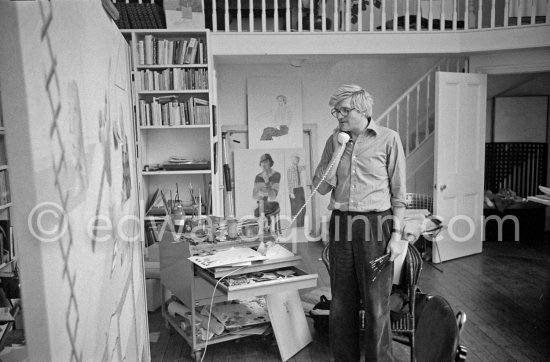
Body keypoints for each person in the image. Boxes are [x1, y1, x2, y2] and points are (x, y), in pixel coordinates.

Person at [312, 84, 407, 362]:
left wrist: (397, 235)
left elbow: (400, 193)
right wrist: (338, 151)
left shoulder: (389, 139)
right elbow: (320, 188)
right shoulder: (334, 141)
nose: (339, 115)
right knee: (342, 303)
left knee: (377, 303)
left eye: (344, 110)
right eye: (336, 110)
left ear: (363, 110)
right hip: (341, 223)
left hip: (377, 224)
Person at [253, 153, 281, 217]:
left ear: (270, 163)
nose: (264, 165)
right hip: (261, 204)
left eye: (266, 162)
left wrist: (267, 181)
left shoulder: (276, 175)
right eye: (262, 162)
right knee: (257, 212)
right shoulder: (258, 176)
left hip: (272, 205)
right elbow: (254, 195)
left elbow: (273, 196)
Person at [287, 153, 306, 227]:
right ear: (292, 160)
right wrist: (291, 192)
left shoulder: (300, 167)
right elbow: (289, 182)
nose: (297, 160)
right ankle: (295, 225)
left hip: (300, 189)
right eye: (295, 159)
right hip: (294, 190)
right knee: (295, 208)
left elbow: (306, 166)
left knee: (302, 206)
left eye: (298, 159)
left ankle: (301, 224)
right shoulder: (290, 169)